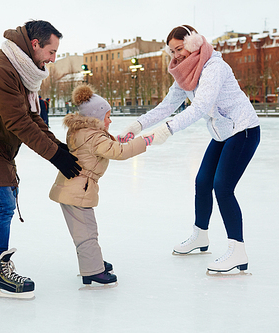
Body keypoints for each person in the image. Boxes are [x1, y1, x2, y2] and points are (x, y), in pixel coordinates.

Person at [0, 20, 82, 299]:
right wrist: (55, 157)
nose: (53, 59)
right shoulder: (1, 69)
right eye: (51, 51)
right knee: (3, 203)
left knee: (9, 192)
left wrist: (58, 146)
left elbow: (33, 116)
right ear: (35, 45)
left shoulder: (24, 70)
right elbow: (18, 122)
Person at [118, 25, 260, 273]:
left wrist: (165, 131)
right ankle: (200, 236)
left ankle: (238, 250)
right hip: (222, 134)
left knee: (223, 188)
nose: (176, 55)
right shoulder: (185, 74)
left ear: (194, 43)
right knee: (203, 182)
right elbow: (166, 106)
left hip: (243, 130)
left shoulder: (213, 67)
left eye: (180, 48)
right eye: (172, 51)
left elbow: (198, 107)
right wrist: (136, 125)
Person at [49, 84, 154, 285]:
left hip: (70, 189)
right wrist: (144, 142)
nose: (110, 120)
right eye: (107, 116)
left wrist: (120, 139)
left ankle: (93, 263)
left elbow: (105, 146)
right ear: (96, 118)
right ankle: (93, 271)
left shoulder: (81, 132)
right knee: (86, 231)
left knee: (84, 229)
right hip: (78, 191)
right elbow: (119, 152)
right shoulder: (94, 136)